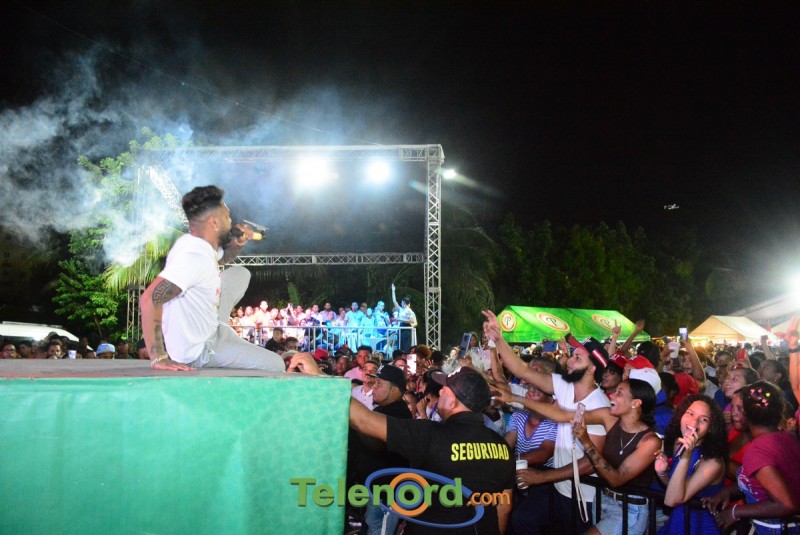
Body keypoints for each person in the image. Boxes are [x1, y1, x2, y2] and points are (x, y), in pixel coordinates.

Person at [483, 310, 611, 534]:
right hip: (559, 489)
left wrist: (542, 476)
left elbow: (590, 463)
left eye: (577, 358)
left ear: (592, 369)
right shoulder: (564, 385)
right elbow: (522, 369)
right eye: (572, 355)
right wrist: (498, 339)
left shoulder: (598, 405)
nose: (569, 360)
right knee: (525, 521)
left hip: (583, 497)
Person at [139, 185, 285, 372]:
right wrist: (159, 357)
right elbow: (150, 299)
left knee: (240, 273)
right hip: (202, 350)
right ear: (214, 223)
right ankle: (222, 338)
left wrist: (239, 242)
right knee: (276, 364)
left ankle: (221, 326)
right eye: (227, 217)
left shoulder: (198, 244)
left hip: (212, 326)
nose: (231, 222)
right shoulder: (194, 258)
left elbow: (223, 258)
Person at [498, 375, 663, 535]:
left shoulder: (649, 441)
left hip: (629, 510)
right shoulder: (608, 417)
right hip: (603, 501)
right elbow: (562, 415)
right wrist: (515, 398)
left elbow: (616, 478)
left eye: (619, 393)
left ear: (635, 403)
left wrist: (586, 442)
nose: (612, 395)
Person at [704, 380, 800, 534]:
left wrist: (736, 511)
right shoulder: (787, 437)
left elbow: (786, 504)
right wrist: (729, 491)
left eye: (739, 408)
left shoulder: (758, 451)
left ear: (746, 414)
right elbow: (765, 484)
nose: (733, 412)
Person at [654, 394, 728, 535]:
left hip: (700, 526)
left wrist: (685, 458)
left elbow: (672, 500)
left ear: (710, 428)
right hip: (679, 520)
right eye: (690, 413)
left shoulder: (713, 462)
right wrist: (662, 473)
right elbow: (675, 489)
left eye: (703, 419)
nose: (694, 422)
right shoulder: (678, 444)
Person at [391, 284, 416, 353]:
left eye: (401, 302)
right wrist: (393, 291)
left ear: (404, 302)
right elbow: (394, 301)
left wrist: (401, 319)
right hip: (401, 327)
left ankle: (406, 356)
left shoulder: (409, 310)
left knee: (406, 345)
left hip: (406, 328)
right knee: (400, 344)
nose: (401, 303)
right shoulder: (401, 309)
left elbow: (412, 320)